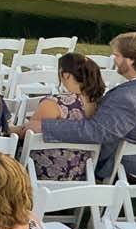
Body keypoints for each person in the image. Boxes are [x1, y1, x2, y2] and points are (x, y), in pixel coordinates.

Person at [23, 32, 136, 181]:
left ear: (131, 59)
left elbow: (97, 131)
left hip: (131, 169)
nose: (114, 61)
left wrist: (45, 127)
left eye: (117, 56)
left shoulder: (125, 96)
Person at [29, 55, 107, 183]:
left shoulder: (54, 103)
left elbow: (28, 133)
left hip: (44, 171)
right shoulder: (101, 104)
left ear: (66, 75)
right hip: (83, 172)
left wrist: (9, 130)